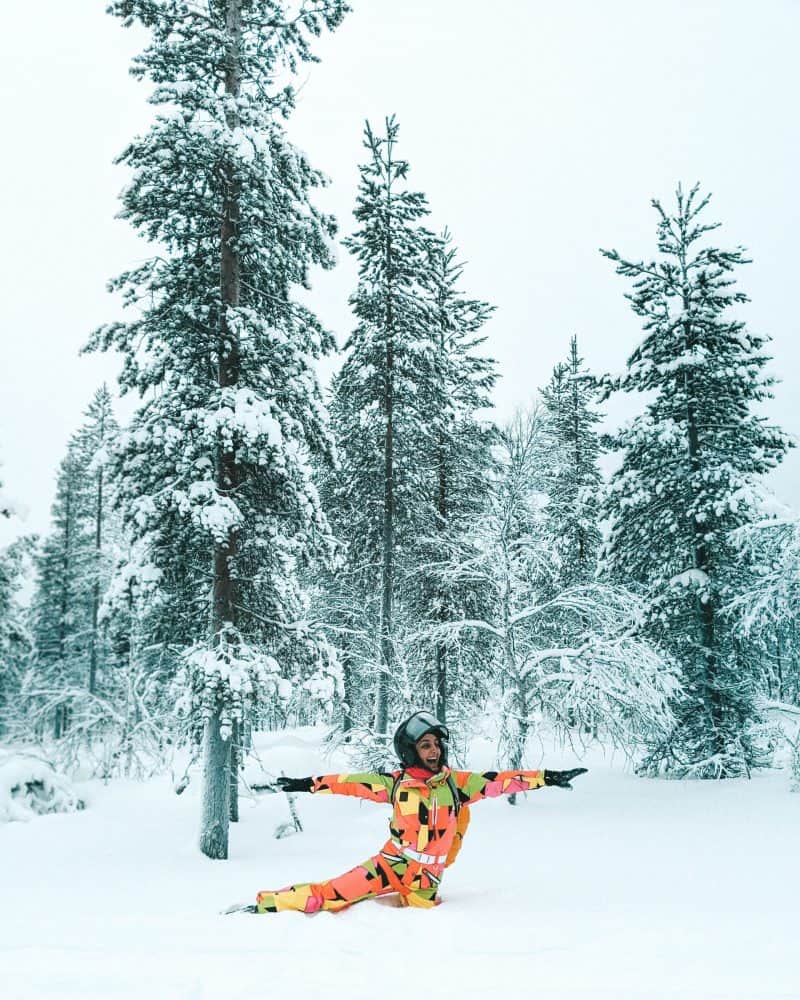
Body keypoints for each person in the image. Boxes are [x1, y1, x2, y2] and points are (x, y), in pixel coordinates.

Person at [240, 710, 587, 914]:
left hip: (426, 879)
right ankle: (267, 905)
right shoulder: (393, 784)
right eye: (426, 745)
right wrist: (304, 784)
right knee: (330, 895)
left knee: (422, 942)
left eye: (437, 744)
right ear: (410, 751)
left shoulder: (459, 784)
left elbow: (504, 781)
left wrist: (548, 778)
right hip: (390, 864)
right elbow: (345, 782)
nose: (434, 751)